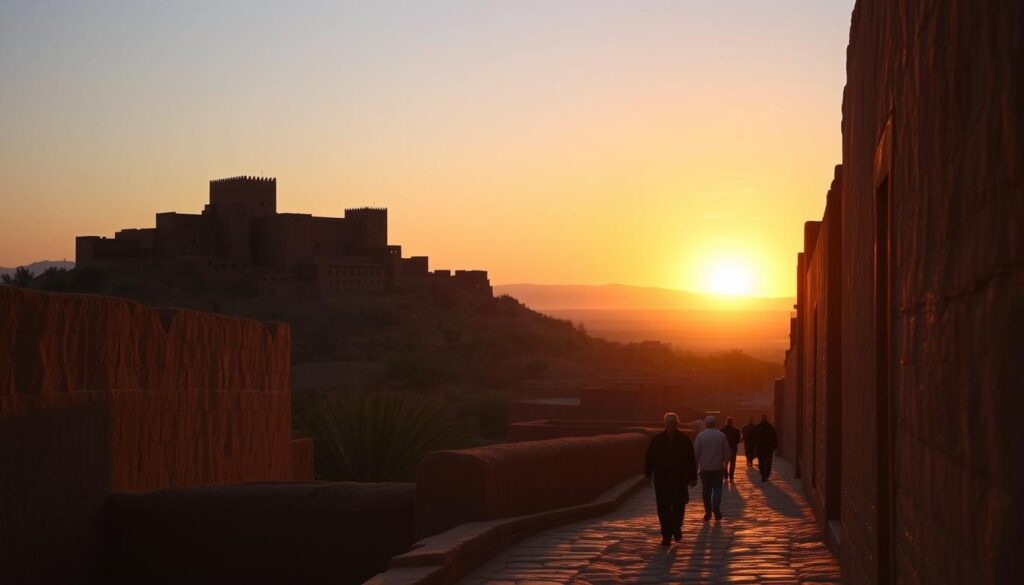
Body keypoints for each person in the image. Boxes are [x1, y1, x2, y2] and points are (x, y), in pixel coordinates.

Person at [644, 412, 698, 545]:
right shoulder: (657, 440)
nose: (671, 425)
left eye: (673, 423)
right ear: (665, 424)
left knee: (679, 505)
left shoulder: (684, 440)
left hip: (679, 479)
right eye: (669, 423)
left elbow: (691, 459)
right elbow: (649, 458)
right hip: (662, 480)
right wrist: (648, 475)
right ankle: (666, 535)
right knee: (663, 509)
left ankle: (676, 526)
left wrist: (693, 476)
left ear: (677, 424)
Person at [693, 415, 731, 521]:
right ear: (715, 424)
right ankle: (716, 508)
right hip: (718, 468)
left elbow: (696, 454)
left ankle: (708, 511)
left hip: (705, 469)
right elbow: (727, 453)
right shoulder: (721, 436)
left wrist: (695, 468)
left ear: (706, 424)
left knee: (706, 490)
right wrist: (725, 464)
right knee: (717, 489)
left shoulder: (700, 436)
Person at [756, 414, 778, 482]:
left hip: (761, 448)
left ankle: (763, 475)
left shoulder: (758, 427)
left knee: (762, 462)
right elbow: (775, 438)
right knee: (768, 462)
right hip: (768, 448)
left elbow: (754, 439)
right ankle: (766, 475)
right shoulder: (770, 427)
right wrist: (774, 447)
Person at [721, 417, 741, 482]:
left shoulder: (722, 430)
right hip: (733, 448)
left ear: (726, 422)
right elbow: (738, 440)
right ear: (732, 422)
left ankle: (725, 475)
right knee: (732, 463)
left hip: (724, 449)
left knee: (724, 462)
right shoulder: (736, 430)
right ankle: (731, 476)